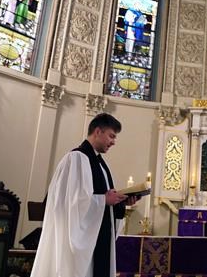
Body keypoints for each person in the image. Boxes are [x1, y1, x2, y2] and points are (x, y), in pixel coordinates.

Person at [30, 113, 140, 277]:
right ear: (97, 131)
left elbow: (99, 201)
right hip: (76, 243)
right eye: (111, 136)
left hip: (96, 238)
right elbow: (72, 203)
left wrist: (121, 202)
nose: (113, 142)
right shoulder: (76, 159)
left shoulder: (100, 164)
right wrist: (104, 199)